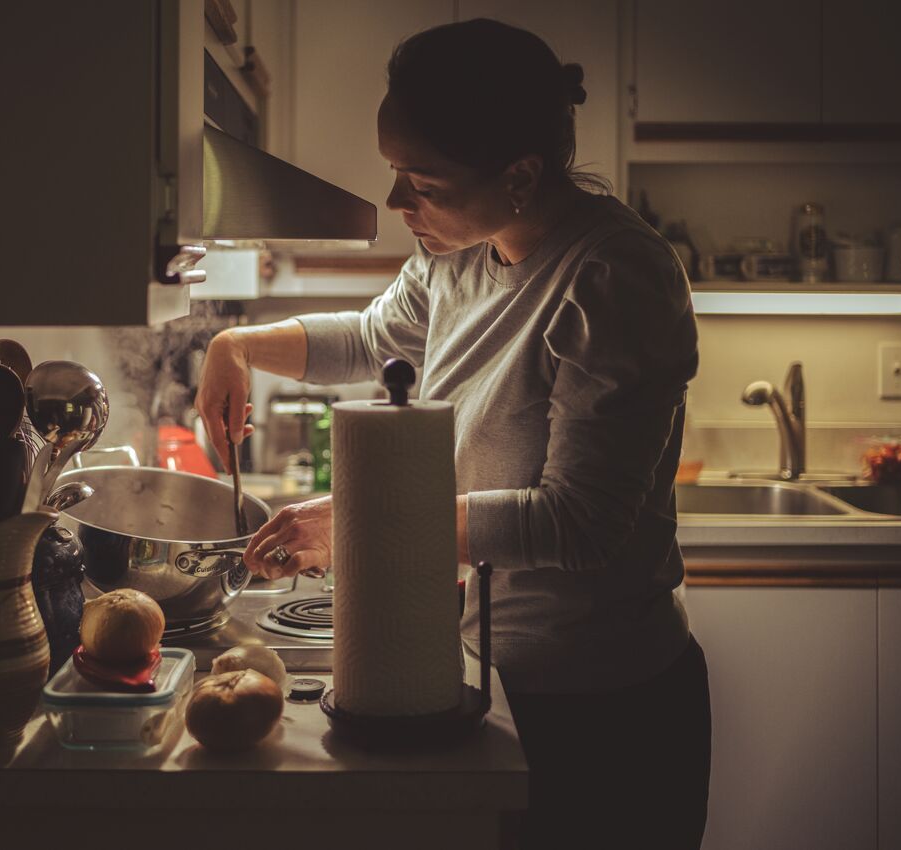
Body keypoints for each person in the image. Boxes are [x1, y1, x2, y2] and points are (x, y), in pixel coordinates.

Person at [195, 18, 710, 850]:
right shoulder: (458, 252)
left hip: (599, 704)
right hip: (487, 668)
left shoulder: (613, 279)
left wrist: (370, 525)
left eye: (422, 182)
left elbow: (579, 522)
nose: (399, 203)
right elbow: (370, 337)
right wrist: (238, 344)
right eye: (397, 172)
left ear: (520, 176)